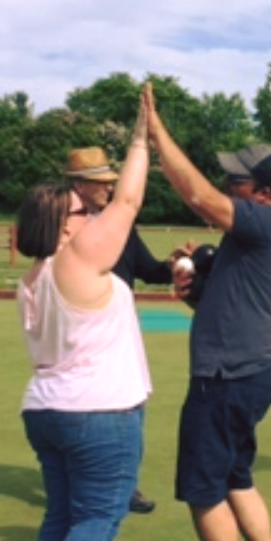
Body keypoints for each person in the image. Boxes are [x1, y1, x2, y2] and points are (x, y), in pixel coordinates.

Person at [19, 90, 154, 541]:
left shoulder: (33, 276)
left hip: (46, 409)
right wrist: (142, 139)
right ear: (62, 223)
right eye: (79, 210)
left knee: (65, 508)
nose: (89, 213)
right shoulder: (75, 260)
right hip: (98, 409)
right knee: (101, 512)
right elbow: (126, 201)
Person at [148, 106, 271, 541]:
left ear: (261, 190)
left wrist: (157, 135)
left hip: (227, 377)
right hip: (249, 371)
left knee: (202, 484)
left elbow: (198, 196)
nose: (226, 182)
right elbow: (232, 302)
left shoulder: (264, 220)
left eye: (236, 177)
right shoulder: (252, 235)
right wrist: (195, 295)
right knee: (237, 475)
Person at [66, 144, 171, 515]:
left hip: (119, 330)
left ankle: (124, 485)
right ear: (79, 185)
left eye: (111, 182)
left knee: (131, 404)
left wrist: (172, 266)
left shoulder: (119, 223)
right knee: (85, 410)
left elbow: (146, 268)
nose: (109, 189)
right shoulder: (62, 226)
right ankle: (81, 483)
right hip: (79, 331)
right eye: (101, 183)